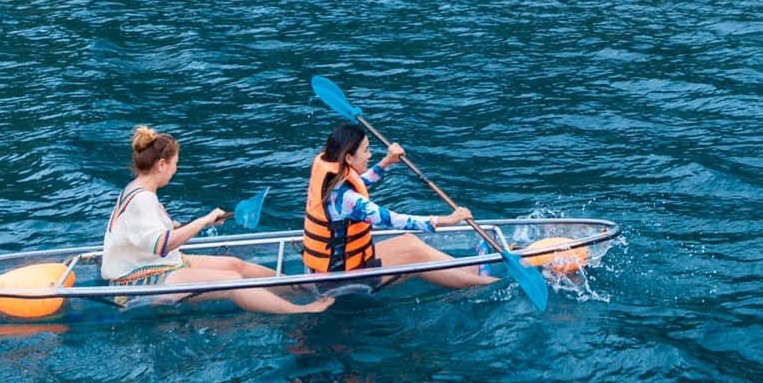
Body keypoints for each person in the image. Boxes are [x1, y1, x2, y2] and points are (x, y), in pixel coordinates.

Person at [105, 126, 332, 315]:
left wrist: (192, 224)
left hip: (155, 264)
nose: (176, 169)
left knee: (235, 264)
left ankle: (297, 286)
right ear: (162, 164)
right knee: (232, 280)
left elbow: (147, 233)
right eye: (175, 164)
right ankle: (301, 309)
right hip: (141, 282)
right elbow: (162, 245)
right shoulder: (143, 200)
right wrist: (203, 221)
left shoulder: (136, 189)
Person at [303, 123, 495, 290]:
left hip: (330, 267)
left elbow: (358, 186)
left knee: (410, 243)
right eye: (366, 150)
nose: (369, 155)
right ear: (349, 158)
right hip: (339, 279)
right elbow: (392, 220)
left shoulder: (332, 176)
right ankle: (486, 283)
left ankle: (468, 270)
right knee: (413, 251)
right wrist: (448, 220)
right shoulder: (345, 197)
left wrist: (386, 163)